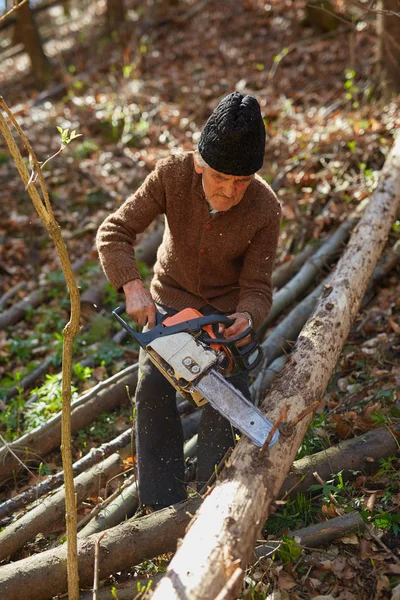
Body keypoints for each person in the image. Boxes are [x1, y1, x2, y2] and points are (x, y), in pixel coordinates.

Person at [96, 92, 282, 509]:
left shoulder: (265, 208)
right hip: (167, 303)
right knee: (152, 391)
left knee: (227, 400)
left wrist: (246, 317)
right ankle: (160, 509)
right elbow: (114, 231)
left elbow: (257, 287)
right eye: (220, 178)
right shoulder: (172, 176)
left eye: (242, 182)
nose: (231, 191)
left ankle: (215, 500)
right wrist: (132, 284)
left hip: (220, 318)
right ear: (199, 163)